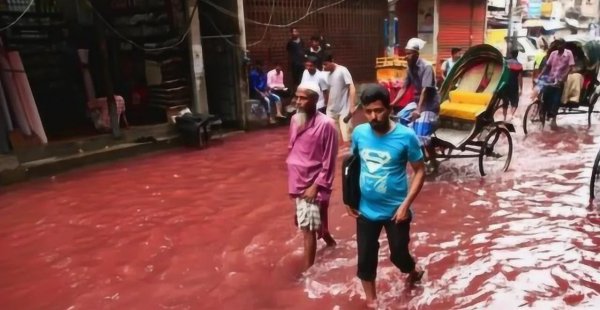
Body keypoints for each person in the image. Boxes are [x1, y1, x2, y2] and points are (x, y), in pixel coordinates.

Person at [347, 84, 426, 308]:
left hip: (396, 211)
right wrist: (349, 199)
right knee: (365, 260)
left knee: (399, 256)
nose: (374, 116)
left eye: (379, 110)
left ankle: (412, 270)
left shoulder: (406, 136)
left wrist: (405, 205)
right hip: (366, 209)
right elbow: (352, 165)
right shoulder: (359, 133)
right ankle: (372, 303)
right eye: (369, 111)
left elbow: (420, 171)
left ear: (389, 108)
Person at [287, 83, 338, 270]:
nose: (298, 102)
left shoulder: (327, 125)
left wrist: (316, 186)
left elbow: (329, 160)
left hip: (312, 184)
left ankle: (308, 272)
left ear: (315, 101)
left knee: (307, 229)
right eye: (297, 97)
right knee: (310, 221)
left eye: (303, 98)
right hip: (296, 181)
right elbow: (293, 148)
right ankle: (332, 245)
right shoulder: (295, 120)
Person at [391, 38, 440, 169]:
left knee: (421, 133)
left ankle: (434, 163)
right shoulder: (410, 68)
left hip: (429, 105)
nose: (406, 57)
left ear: (417, 54)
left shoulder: (427, 67)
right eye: (405, 53)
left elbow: (425, 90)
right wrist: (392, 104)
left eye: (409, 53)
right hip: (418, 102)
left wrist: (418, 110)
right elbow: (404, 87)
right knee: (400, 119)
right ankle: (422, 159)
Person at [540, 38, 575, 129]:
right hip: (551, 78)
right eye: (557, 44)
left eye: (560, 44)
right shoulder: (553, 54)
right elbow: (547, 66)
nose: (559, 46)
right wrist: (540, 74)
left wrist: (564, 76)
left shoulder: (568, 54)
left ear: (564, 45)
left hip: (560, 80)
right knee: (545, 96)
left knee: (556, 98)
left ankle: (553, 118)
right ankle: (544, 113)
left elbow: (571, 67)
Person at [323, 52, 356, 144]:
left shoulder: (342, 70)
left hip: (344, 110)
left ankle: (352, 156)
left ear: (332, 61)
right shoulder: (327, 74)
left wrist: (352, 106)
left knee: (347, 138)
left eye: (326, 64)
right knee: (332, 140)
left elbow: (352, 87)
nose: (324, 67)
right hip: (331, 110)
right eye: (322, 65)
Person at [503, 49, 523, 121]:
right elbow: (520, 78)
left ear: (511, 54)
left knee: (505, 102)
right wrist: (521, 88)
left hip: (505, 85)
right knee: (515, 102)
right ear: (517, 55)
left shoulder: (505, 63)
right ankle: (511, 115)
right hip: (514, 85)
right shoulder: (520, 65)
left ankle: (504, 118)